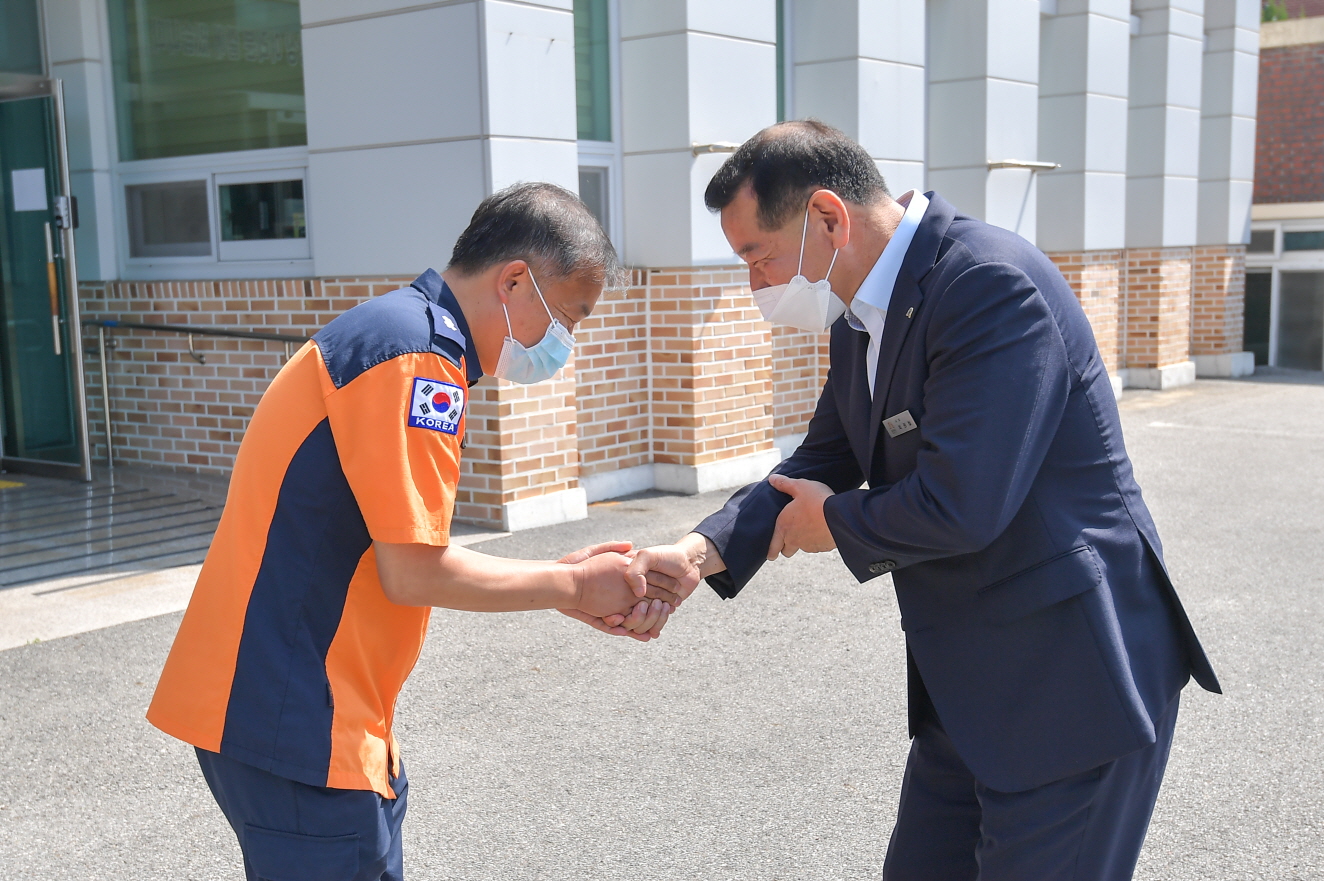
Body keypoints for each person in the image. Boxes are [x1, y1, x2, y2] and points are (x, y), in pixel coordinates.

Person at [626, 121, 1221, 880]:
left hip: (1072, 685)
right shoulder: (861, 313)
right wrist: (698, 551)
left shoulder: (987, 284)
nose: (755, 285)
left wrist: (831, 523)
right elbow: (824, 458)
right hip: (969, 693)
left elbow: (962, 502)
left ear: (828, 217)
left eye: (759, 256)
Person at [147, 182, 693, 881]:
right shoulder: (418, 360)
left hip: (303, 707)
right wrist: (576, 587)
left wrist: (567, 582)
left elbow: (395, 553)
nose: (566, 342)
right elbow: (413, 570)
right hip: (301, 716)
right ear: (514, 281)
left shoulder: (400, 335)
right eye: (569, 317)